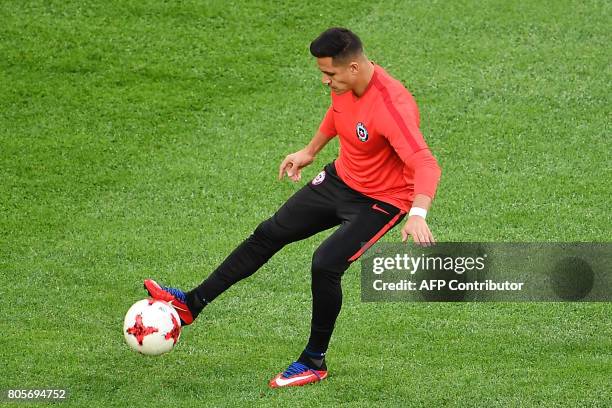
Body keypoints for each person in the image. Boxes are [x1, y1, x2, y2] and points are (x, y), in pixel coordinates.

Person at [144, 27, 441, 388]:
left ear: (353, 68)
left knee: (326, 264)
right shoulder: (345, 86)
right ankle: (191, 303)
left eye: (329, 74)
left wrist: (418, 213)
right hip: (341, 179)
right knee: (269, 232)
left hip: (382, 201)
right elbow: (338, 115)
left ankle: (314, 361)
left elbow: (426, 163)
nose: (324, 81)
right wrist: (310, 151)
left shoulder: (393, 107)